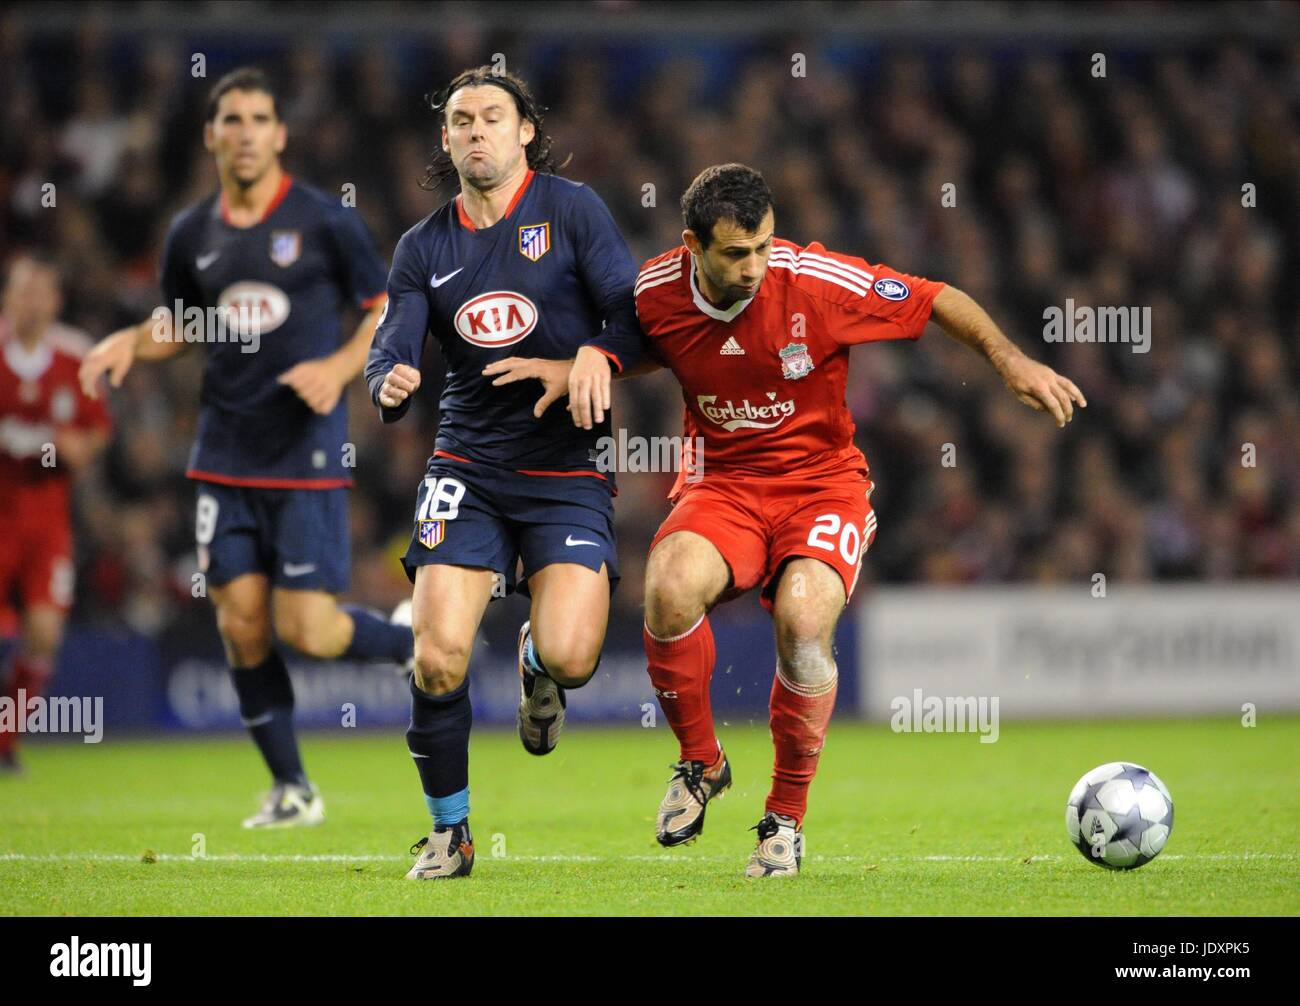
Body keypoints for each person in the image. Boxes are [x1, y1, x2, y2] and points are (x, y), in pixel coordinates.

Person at [497, 162, 1086, 876]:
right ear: (692, 246)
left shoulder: (814, 281)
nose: (753, 268)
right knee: (669, 585)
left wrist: (1010, 361)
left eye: (763, 248)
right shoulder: (654, 290)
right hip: (725, 485)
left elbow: (935, 298)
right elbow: (646, 343)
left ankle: (784, 819)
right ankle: (700, 764)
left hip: (823, 487)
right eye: (735, 254)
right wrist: (581, 366)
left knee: (804, 621)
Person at [78, 68, 410, 828]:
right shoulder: (191, 233)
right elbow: (183, 325)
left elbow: (385, 306)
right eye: (232, 119)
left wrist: (335, 369)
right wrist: (128, 343)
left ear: (280, 134)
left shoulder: (326, 222)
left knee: (310, 629)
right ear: (211, 135)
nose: (247, 131)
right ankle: (293, 788)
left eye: (261, 117)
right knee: (240, 622)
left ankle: (407, 641)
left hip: (305, 455)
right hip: (223, 456)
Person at [364, 66, 643, 880]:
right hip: (470, 465)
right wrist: (389, 378)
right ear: (446, 139)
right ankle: (450, 833)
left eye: (493, 116)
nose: (476, 130)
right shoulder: (423, 246)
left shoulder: (572, 209)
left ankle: (536, 666)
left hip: (565, 467)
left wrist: (595, 353)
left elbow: (632, 313)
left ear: (525, 131)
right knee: (439, 655)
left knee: (575, 656)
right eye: (461, 120)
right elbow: (394, 337)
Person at [0, 254, 110, 772]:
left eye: (42, 291)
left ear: (56, 300)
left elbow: (95, 436)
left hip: (46, 524)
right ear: (8, 297)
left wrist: (71, 447)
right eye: (23, 290)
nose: (32, 301)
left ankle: (5, 743)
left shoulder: (73, 357)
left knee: (43, 632)